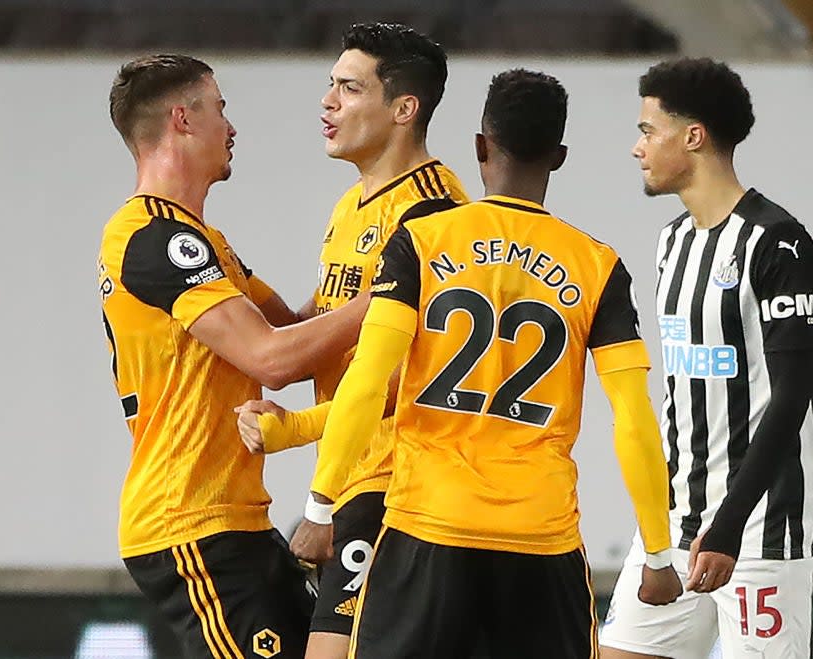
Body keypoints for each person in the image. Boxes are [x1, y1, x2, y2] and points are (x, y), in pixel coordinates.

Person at [249, 68, 683, 659]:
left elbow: (367, 380)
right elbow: (633, 419)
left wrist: (320, 508)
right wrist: (657, 555)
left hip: (426, 527)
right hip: (541, 539)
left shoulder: (423, 240)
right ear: (558, 157)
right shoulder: (598, 265)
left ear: (480, 146)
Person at [99, 54, 369, 658]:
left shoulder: (197, 239)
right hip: (190, 522)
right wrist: (391, 295)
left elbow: (299, 327)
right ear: (182, 120)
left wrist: (361, 275)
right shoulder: (153, 240)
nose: (231, 126)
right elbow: (273, 358)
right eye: (220, 108)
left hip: (232, 521)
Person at [234, 22, 468, 659]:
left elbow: (413, 378)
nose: (327, 103)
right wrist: (223, 280)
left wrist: (297, 428)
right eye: (329, 85)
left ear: (403, 108)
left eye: (348, 88)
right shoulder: (352, 205)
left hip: (398, 480)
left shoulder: (432, 215)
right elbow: (318, 323)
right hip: (355, 477)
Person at [599, 57, 813, 659]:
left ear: (692, 137)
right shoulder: (672, 241)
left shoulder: (778, 241)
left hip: (757, 527)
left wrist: (728, 523)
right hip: (678, 524)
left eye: (649, 130)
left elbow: (792, 392)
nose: (637, 147)